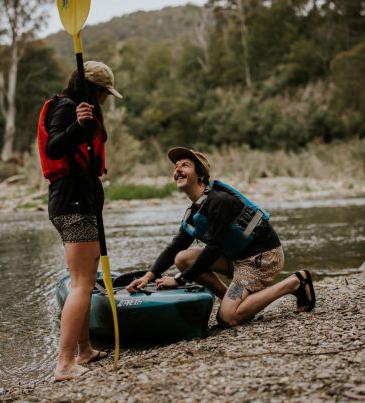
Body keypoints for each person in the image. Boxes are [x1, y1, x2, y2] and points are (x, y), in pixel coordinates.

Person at [126, 148, 316, 327]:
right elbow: (174, 248)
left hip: (262, 259)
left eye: (185, 165)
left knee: (227, 318)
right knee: (181, 258)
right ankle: (236, 301)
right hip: (238, 259)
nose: (178, 169)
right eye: (176, 166)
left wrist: (179, 280)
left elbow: (214, 247)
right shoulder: (194, 212)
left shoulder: (219, 201)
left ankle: (295, 282)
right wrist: (149, 276)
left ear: (200, 174)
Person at [37, 61, 122, 381]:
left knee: (86, 278)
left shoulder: (79, 109)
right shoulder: (67, 108)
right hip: (72, 202)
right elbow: (55, 146)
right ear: (94, 89)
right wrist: (78, 124)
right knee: (82, 284)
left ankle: (84, 350)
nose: (105, 100)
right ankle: (64, 363)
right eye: (104, 94)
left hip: (80, 201)